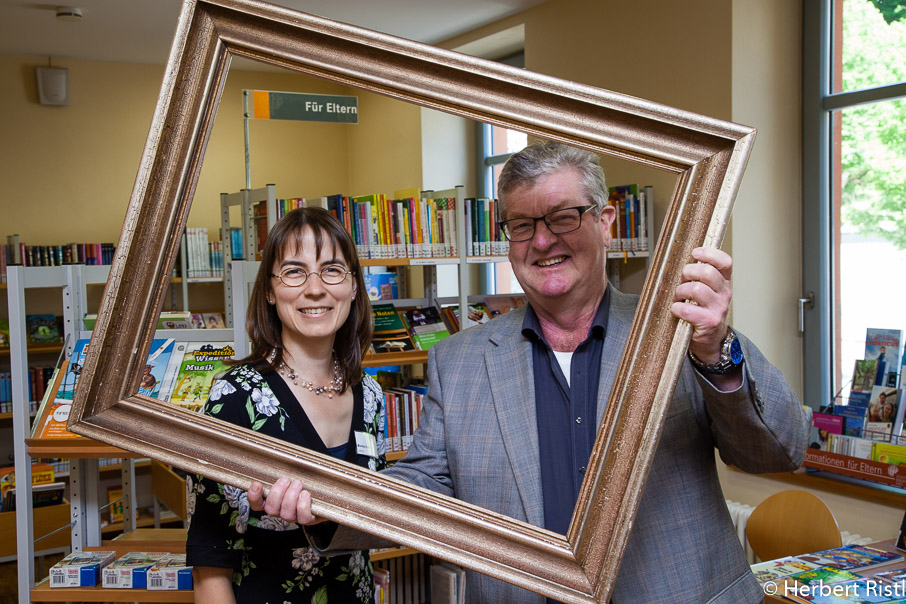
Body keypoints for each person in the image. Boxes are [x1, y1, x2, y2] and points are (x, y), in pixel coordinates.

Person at [253, 142, 808, 603]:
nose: (543, 241)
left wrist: (715, 350)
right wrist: (325, 505)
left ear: (607, 222)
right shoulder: (459, 361)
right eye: (522, 225)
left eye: (564, 216)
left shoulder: (678, 331)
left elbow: (778, 453)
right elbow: (420, 489)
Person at [186, 207, 386, 603]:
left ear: (353, 286)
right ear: (269, 291)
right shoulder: (235, 397)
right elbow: (210, 559)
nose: (315, 289)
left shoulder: (372, 396)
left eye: (332, 270)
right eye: (295, 271)